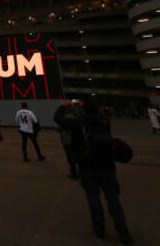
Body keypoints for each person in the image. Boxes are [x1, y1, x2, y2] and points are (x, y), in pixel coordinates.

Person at [75, 101, 133, 244]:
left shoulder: (79, 122)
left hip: (88, 167)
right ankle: (122, 231)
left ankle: (99, 228)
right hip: (107, 166)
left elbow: (60, 121)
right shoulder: (104, 121)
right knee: (114, 200)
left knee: (93, 200)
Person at [54, 99, 83, 178]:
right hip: (79, 140)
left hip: (67, 140)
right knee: (79, 157)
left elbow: (57, 118)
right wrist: (80, 107)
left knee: (70, 158)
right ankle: (82, 173)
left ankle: (74, 173)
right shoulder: (79, 117)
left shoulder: (66, 118)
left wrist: (62, 106)